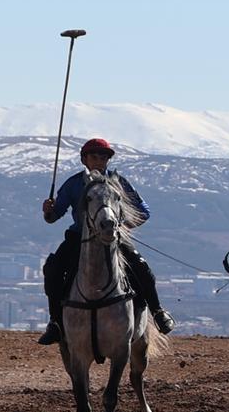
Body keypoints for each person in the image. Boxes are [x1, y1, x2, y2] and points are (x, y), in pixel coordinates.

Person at [37, 137, 175, 345]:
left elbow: (143, 211)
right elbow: (54, 216)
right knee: (53, 269)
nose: (99, 160)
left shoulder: (119, 183)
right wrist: (48, 211)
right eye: (94, 156)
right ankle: (56, 321)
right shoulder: (73, 184)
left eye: (104, 157)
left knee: (140, 267)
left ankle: (156, 312)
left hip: (113, 237)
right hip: (78, 238)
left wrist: (121, 226)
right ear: (84, 159)